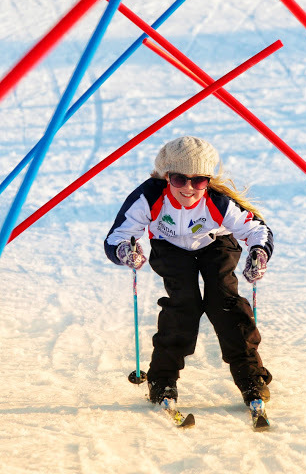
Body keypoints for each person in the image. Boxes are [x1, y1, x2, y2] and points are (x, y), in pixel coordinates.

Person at [104, 136, 273, 407]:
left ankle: (251, 377)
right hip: (170, 247)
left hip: (215, 244)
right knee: (184, 305)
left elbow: (257, 229)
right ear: (166, 176)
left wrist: (259, 253)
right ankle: (162, 379)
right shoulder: (149, 196)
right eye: (180, 179)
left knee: (225, 302)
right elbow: (117, 236)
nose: (189, 188)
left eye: (199, 180)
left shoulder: (218, 202)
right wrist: (125, 250)